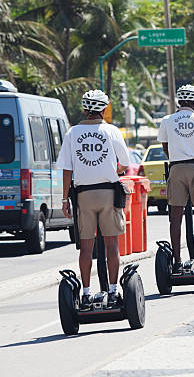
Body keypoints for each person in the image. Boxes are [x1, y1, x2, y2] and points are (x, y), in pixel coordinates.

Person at [57, 90, 129, 307]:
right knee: (112, 246)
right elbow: (124, 163)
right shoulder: (112, 131)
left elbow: (67, 170)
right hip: (108, 193)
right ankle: (114, 291)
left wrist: (63, 199)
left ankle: (86, 294)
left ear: (85, 109)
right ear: (104, 110)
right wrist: (112, 172)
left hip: (83, 196)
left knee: (87, 248)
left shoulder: (72, 133)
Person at [157, 84, 194, 273]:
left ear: (178, 101)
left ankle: (177, 260)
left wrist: (176, 158)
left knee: (175, 216)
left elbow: (165, 147)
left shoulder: (167, 120)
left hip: (176, 167)